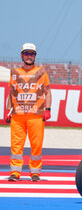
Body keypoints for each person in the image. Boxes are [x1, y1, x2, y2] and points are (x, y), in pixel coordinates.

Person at [6, 43, 52, 182]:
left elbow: (48, 92)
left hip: (36, 115)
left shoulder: (41, 72)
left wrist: (48, 110)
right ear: (21, 55)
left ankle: (35, 173)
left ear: (35, 56)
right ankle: (15, 172)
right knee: (16, 145)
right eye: (26, 53)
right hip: (18, 115)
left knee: (36, 145)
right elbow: (11, 92)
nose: (29, 56)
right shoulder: (14, 72)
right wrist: (9, 110)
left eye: (32, 54)